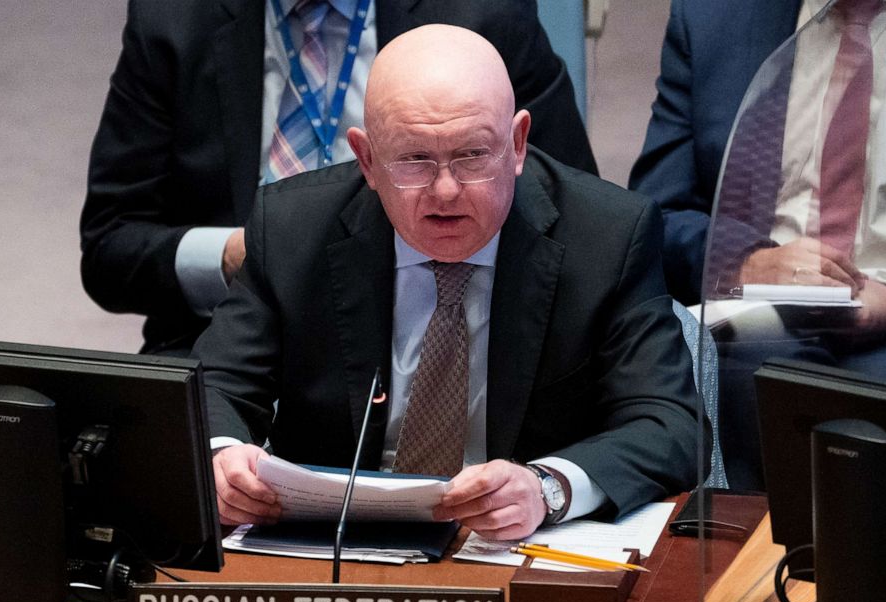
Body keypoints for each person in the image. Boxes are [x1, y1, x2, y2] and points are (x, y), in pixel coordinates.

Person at [194, 24, 703, 541]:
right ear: (367, 159)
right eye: (415, 159)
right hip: (334, 554)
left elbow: (670, 426)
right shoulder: (290, 228)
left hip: (516, 551)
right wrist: (221, 458)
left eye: (472, 156)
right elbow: (215, 385)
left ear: (518, 142)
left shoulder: (608, 236)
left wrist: (546, 487)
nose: (446, 190)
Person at [80, 0, 597, 356]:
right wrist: (240, 255)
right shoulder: (173, 18)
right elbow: (109, 250)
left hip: (441, 334)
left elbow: (576, 222)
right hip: (232, 346)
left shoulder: (480, 14)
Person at [631, 0, 886, 488]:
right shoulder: (716, 18)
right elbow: (653, 214)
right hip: (761, 314)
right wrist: (747, 260)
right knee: (755, 381)